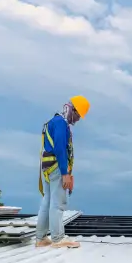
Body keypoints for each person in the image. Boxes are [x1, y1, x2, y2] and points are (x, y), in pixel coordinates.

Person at [35, 95, 90, 248]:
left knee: (47, 202)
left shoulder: (52, 122)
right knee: (58, 203)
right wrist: (65, 173)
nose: (78, 119)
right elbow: (60, 148)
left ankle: (40, 239)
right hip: (57, 168)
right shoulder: (60, 123)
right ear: (71, 109)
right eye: (78, 115)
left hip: (47, 168)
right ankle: (58, 239)